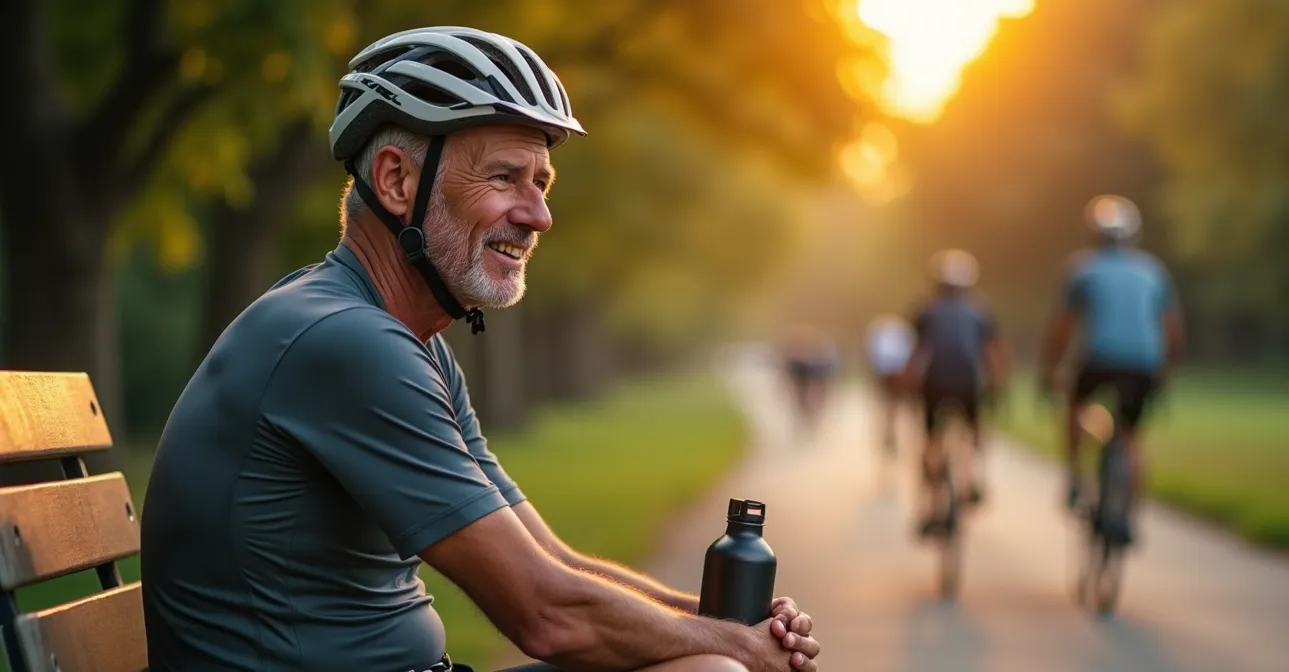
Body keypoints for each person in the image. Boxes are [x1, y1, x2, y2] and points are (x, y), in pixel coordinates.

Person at [139, 26, 819, 672]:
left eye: (540, 183)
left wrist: (720, 624)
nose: (538, 215)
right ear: (397, 181)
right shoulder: (347, 343)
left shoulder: (405, 344)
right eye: (503, 178)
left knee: (708, 658)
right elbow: (543, 613)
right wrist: (735, 645)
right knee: (712, 666)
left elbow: (555, 564)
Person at [1040, 194, 1185, 544]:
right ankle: (1129, 515)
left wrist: (1051, 367)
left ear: (1093, 233)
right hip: (1144, 363)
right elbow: (1173, 330)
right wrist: (1165, 370)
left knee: (1075, 406)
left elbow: (1063, 326)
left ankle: (1075, 475)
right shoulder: (1153, 271)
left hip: (1099, 358)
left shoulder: (1082, 268)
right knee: (1131, 438)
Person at [899, 249, 1008, 537]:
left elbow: (915, 354)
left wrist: (907, 388)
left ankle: (933, 508)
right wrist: (997, 386)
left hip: (935, 382)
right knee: (975, 426)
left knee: (931, 440)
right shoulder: (981, 312)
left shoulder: (925, 311)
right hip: (969, 382)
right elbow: (993, 353)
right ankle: (972, 478)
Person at [864, 315, 916, 454]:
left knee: (889, 407)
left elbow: (873, 356)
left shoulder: (880, 333)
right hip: (900, 374)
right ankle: (902, 437)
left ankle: (890, 434)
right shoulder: (903, 333)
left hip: (886, 374)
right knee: (904, 407)